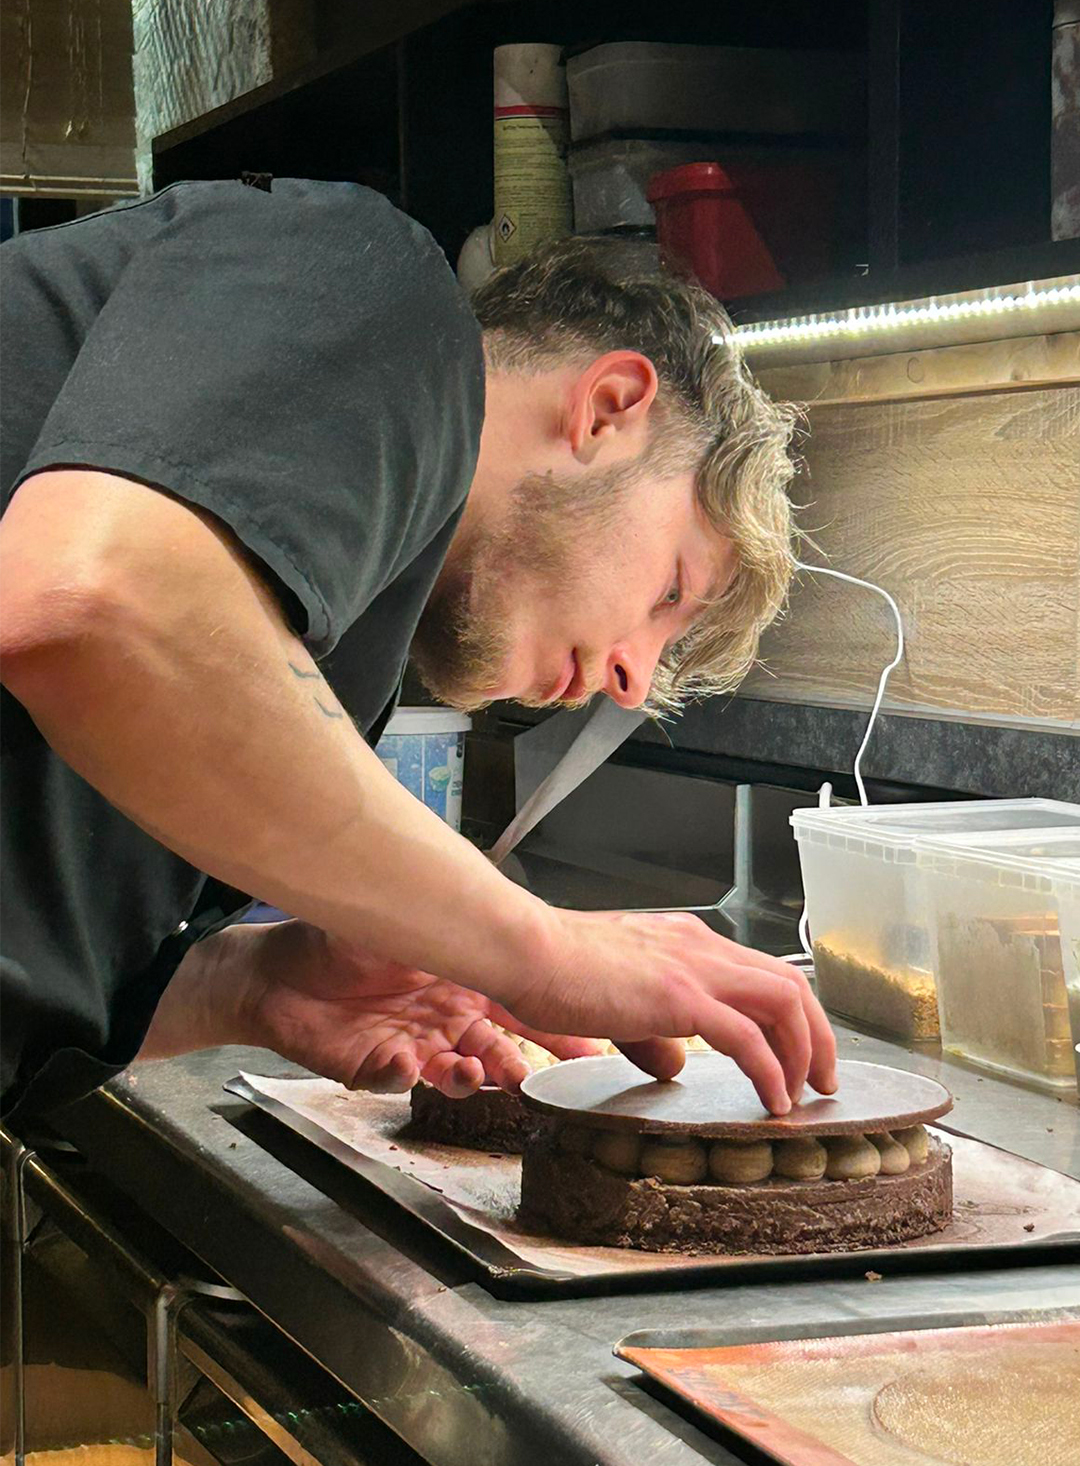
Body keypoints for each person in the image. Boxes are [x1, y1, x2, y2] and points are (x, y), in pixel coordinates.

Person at [0, 178, 836, 1127]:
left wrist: (249, 986)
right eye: (670, 594)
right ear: (608, 409)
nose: (632, 680)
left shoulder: (321, 649)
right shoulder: (366, 278)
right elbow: (98, 609)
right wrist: (541, 948)